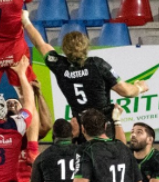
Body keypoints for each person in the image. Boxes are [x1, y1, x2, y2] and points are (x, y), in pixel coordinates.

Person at [21, 16, 149, 125]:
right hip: (102, 126)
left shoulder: (59, 66)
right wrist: (139, 88)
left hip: (80, 126)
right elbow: (126, 91)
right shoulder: (97, 64)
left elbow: (40, 44)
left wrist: (25, 21)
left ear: (64, 49)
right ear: (86, 46)